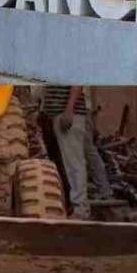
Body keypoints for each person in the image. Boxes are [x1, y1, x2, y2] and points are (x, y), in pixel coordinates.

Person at [41, 86, 112, 220]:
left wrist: (69, 110)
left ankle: (81, 208)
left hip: (67, 116)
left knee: (74, 164)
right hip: (64, 115)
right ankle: (92, 198)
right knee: (77, 160)